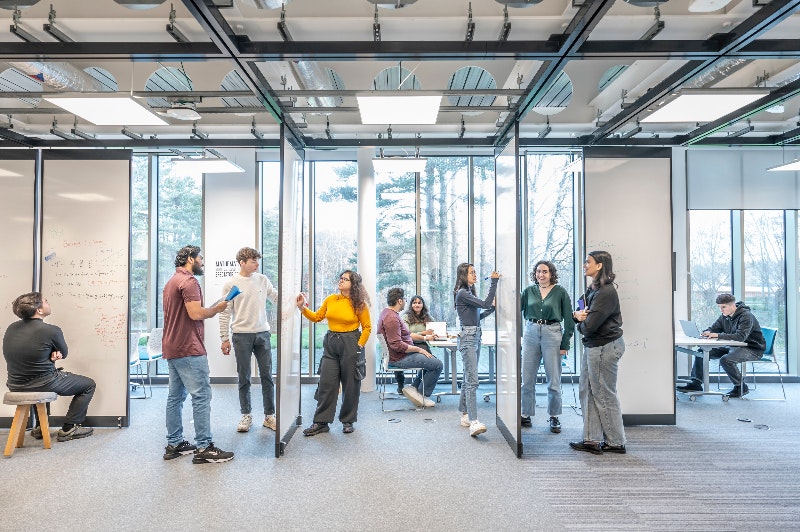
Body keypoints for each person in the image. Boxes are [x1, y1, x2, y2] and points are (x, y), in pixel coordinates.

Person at [162, 245, 233, 464]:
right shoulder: (190, 281)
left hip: (172, 347)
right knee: (201, 396)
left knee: (175, 397)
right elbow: (195, 314)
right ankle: (204, 447)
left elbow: (188, 312)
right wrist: (217, 309)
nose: (203, 262)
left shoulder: (172, 281)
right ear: (191, 259)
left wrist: (212, 307)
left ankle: (174, 444)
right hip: (188, 348)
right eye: (201, 258)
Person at [2, 292, 96, 442]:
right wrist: (56, 353)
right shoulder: (52, 330)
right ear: (39, 310)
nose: (48, 303)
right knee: (89, 385)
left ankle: (40, 427)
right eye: (45, 301)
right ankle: (69, 428)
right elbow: (64, 353)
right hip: (44, 382)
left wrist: (51, 354)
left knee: (36, 381)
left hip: (15, 384)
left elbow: (30, 354)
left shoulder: (11, 328)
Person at [296, 269, 371, 436]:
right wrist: (302, 308)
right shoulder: (331, 299)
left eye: (345, 279)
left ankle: (348, 421)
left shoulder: (359, 303)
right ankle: (321, 422)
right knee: (326, 383)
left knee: (351, 384)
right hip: (331, 342)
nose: (341, 281)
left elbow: (367, 327)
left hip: (351, 342)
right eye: (341, 278)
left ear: (353, 284)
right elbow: (317, 317)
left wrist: (359, 345)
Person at [569, 251, 627, 455]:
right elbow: (579, 309)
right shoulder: (594, 289)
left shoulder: (605, 293)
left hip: (604, 346)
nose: (584, 265)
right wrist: (578, 316)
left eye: (588, 262)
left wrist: (578, 320)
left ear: (600, 265)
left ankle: (615, 441)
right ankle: (592, 439)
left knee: (603, 393)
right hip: (594, 346)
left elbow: (589, 327)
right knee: (588, 391)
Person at [219, 247, 279, 433]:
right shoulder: (232, 284)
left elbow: (276, 297)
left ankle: (269, 416)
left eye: (257, 260)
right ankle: (246, 415)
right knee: (243, 377)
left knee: (267, 376)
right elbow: (225, 312)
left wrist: (295, 299)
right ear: (242, 263)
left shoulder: (262, 279)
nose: (257, 264)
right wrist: (224, 338)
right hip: (241, 335)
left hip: (263, 334)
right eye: (253, 261)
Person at [520, 260, 575, 434]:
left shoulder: (560, 292)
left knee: (554, 380)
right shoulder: (528, 291)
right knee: (527, 378)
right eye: (538, 271)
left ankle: (554, 416)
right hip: (531, 332)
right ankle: (526, 413)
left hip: (553, 333)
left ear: (551, 273)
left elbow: (569, 318)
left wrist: (565, 343)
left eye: (544, 271)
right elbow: (516, 311)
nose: (541, 274)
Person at [676, 293, 765, 398]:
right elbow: (714, 328)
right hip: (733, 346)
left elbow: (741, 336)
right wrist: (707, 332)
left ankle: (740, 387)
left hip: (752, 348)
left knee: (726, 360)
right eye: (719, 307)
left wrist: (717, 335)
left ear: (733, 305)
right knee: (701, 352)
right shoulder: (724, 316)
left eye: (724, 307)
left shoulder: (746, 316)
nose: (721, 310)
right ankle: (696, 384)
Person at [453, 262, 500, 437]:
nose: (475, 275)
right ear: (463, 275)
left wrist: (492, 309)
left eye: (475, 272)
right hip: (468, 338)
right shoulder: (463, 293)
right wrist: (494, 282)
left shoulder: (468, 293)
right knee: (472, 380)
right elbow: (486, 303)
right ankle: (473, 421)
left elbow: (477, 315)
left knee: (468, 378)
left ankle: (464, 414)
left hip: (475, 335)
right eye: (471, 272)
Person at [378, 288, 443, 407]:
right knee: (437, 365)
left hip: (400, 354)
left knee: (430, 359)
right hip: (399, 358)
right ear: (399, 301)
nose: (405, 301)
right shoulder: (392, 318)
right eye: (404, 299)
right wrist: (418, 349)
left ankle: (414, 389)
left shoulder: (389, 314)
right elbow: (397, 345)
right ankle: (422, 396)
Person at [399, 294, 438, 394]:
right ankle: (416, 387)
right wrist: (423, 334)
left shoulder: (427, 317)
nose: (417, 305)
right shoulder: (406, 317)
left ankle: (415, 386)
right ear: (411, 305)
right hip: (409, 346)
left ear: (423, 305)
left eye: (419, 303)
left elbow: (435, 328)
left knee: (432, 361)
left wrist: (440, 332)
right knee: (432, 363)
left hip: (422, 345)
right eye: (414, 303)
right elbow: (407, 335)